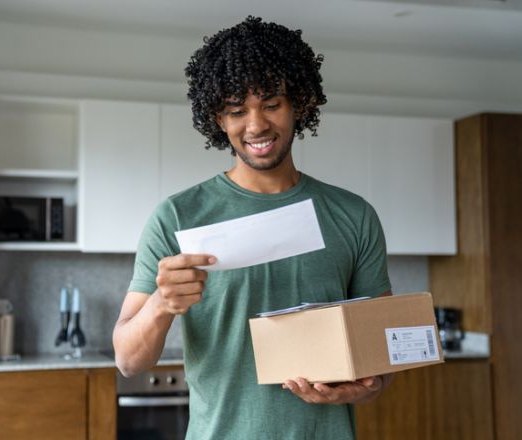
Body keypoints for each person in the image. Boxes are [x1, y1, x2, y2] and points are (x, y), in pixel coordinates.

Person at [113, 16, 394, 439]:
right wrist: (160, 304)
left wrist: (358, 390)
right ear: (218, 119)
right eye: (236, 110)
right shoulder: (176, 217)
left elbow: (382, 365)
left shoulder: (353, 216)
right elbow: (128, 360)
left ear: (299, 102)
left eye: (271, 103)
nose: (256, 124)